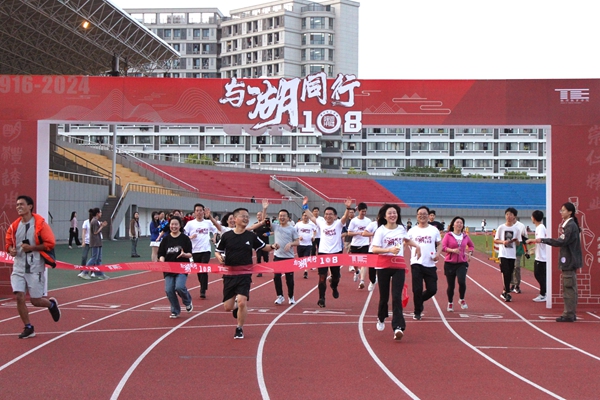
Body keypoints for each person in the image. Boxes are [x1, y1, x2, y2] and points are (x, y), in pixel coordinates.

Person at [215, 207, 278, 339]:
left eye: (247, 217)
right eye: (243, 216)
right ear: (235, 219)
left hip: (245, 274)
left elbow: (264, 247)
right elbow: (217, 251)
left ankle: (239, 328)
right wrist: (220, 258)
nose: (246, 219)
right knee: (228, 307)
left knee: (242, 301)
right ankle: (236, 308)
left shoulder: (251, 236)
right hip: (229, 274)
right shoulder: (227, 236)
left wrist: (273, 246)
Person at [5, 195, 61, 338]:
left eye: (21, 204)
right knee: (19, 296)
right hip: (18, 267)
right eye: (17, 205)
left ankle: (51, 304)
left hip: (35, 267)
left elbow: (50, 243)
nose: (18, 207)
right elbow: (8, 243)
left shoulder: (40, 224)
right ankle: (28, 327)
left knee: (35, 301)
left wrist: (32, 247)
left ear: (30, 206)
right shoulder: (14, 226)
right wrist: (10, 249)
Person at [371, 204, 420, 341]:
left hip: (398, 265)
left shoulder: (401, 228)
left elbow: (406, 239)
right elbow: (374, 249)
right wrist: (389, 250)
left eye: (395, 213)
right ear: (384, 216)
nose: (393, 215)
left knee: (397, 296)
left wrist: (416, 245)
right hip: (383, 266)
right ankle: (381, 317)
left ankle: (398, 327)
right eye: (390, 213)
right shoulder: (380, 230)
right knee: (384, 297)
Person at [528, 202, 582, 322]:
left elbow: (561, 241)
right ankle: (570, 313)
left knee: (569, 288)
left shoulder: (570, 226)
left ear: (570, 212)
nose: (561, 212)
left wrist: (542, 240)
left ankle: (569, 314)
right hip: (569, 261)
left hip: (569, 261)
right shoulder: (570, 225)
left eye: (563, 210)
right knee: (569, 288)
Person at [303, 196, 352, 308]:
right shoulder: (321, 223)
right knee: (322, 277)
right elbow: (311, 216)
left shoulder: (338, 223)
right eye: (326, 214)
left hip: (336, 253)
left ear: (335, 216)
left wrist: (348, 208)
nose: (328, 216)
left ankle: (334, 286)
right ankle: (322, 298)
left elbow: (345, 217)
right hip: (323, 253)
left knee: (336, 277)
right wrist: (305, 206)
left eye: (330, 214)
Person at [407, 206, 442, 320]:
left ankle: (420, 300)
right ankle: (417, 312)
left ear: (428, 216)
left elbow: (439, 244)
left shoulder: (434, 230)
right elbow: (405, 242)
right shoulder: (412, 231)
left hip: (430, 263)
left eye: (424, 214)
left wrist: (438, 254)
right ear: (417, 216)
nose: (422, 216)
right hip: (416, 262)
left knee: (432, 289)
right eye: (420, 214)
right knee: (417, 289)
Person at [158, 215, 194, 318]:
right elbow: (161, 254)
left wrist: (184, 255)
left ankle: (187, 301)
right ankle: (175, 310)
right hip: (168, 268)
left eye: (176, 224)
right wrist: (162, 261)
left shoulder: (185, 239)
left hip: (182, 267)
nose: (174, 226)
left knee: (179, 287)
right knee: (169, 290)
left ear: (180, 226)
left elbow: (190, 254)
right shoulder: (166, 239)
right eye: (172, 224)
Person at [184, 203, 218, 299]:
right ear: (194, 212)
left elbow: (215, 230)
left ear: (203, 212)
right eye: (197, 210)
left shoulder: (208, 222)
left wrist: (214, 237)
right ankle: (203, 285)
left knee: (203, 268)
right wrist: (190, 237)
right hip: (195, 250)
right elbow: (184, 235)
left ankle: (203, 289)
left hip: (206, 249)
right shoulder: (190, 224)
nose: (199, 212)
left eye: (200, 210)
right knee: (199, 270)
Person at [441, 216, 475, 312]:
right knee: (451, 285)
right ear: (453, 224)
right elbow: (443, 247)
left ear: (463, 225)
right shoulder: (448, 235)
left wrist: (470, 252)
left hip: (462, 263)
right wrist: (452, 250)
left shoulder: (465, 236)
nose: (459, 224)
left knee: (462, 281)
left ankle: (461, 299)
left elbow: (471, 245)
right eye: (457, 222)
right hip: (449, 263)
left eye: (461, 223)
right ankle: (450, 302)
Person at [494, 207, 523, 302]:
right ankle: (507, 292)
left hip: (512, 254)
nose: (508, 216)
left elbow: (518, 243)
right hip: (503, 254)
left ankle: (504, 291)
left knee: (510, 273)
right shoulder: (501, 227)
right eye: (507, 214)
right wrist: (503, 242)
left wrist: (516, 241)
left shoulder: (516, 229)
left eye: (511, 214)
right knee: (505, 272)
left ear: (514, 216)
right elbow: (495, 240)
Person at [272, 209, 300, 305]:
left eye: (284, 216)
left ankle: (291, 297)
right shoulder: (275, 227)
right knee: (276, 277)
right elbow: (264, 221)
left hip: (289, 257)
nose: (282, 217)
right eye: (280, 216)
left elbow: (298, 241)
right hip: (277, 256)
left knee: (289, 279)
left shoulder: (292, 229)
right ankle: (280, 296)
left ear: (288, 218)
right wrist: (265, 209)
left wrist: (291, 244)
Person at [347, 202, 372, 289]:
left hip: (365, 244)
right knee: (355, 263)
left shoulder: (368, 221)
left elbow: (370, 232)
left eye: (365, 211)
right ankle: (357, 271)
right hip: (355, 244)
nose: (364, 213)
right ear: (358, 210)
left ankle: (362, 281)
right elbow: (349, 233)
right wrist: (358, 233)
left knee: (364, 263)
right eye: (362, 211)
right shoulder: (354, 221)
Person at [528, 210, 547, 302]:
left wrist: (530, 240)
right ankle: (544, 292)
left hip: (542, 257)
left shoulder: (540, 228)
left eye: (532, 216)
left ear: (534, 218)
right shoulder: (539, 227)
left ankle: (544, 294)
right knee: (539, 275)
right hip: (540, 255)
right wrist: (534, 248)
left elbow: (540, 240)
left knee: (539, 275)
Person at [510, 212, 530, 294]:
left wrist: (526, 251)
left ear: (515, 216)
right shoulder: (506, 226)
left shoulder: (521, 226)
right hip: (509, 249)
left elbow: (525, 239)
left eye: (511, 215)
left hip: (518, 249)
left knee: (516, 267)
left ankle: (517, 285)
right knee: (510, 267)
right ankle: (512, 284)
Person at [86, 207, 109, 279]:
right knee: (94, 258)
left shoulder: (96, 221)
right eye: (100, 212)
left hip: (98, 241)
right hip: (95, 242)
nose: (101, 214)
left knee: (98, 259)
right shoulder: (94, 221)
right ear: (97, 213)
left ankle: (100, 274)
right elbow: (95, 232)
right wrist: (102, 226)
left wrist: (101, 225)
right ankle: (84, 272)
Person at [295, 211, 317, 279]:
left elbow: (315, 231)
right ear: (302, 216)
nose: (306, 217)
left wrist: (313, 236)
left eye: (307, 215)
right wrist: (298, 237)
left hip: (308, 244)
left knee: (306, 258)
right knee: (301, 258)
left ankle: (305, 271)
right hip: (300, 244)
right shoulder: (298, 224)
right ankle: (304, 268)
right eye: (304, 215)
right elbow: (294, 232)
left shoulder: (311, 224)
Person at [253, 209, 272, 277]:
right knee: (258, 257)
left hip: (265, 243)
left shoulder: (266, 224)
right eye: (257, 215)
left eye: (260, 215)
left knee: (265, 257)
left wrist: (268, 233)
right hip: (258, 244)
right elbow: (254, 232)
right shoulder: (255, 225)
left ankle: (266, 267)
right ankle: (259, 272)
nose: (259, 216)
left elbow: (273, 231)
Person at [78, 208, 92, 278]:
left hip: (94, 242)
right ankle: (82, 271)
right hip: (87, 242)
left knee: (93, 258)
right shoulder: (86, 222)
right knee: (84, 256)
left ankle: (93, 271)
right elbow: (83, 232)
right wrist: (83, 241)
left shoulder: (97, 222)